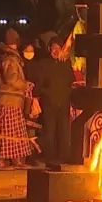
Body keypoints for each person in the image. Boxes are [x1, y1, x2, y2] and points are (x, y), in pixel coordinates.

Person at [27, 37, 74, 170]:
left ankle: (62, 156)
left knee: (64, 131)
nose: (56, 51)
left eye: (58, 48)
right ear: (49, 49)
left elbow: (71, 81)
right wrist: (38, 96)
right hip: (49, 103)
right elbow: (39, 83)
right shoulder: (44, 64)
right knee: (49, 132)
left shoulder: (66, 64)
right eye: (53, 48)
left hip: (63, 103)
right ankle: (50, 158)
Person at [0, 29, 34, 169]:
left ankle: (16, 159)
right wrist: (24, 84)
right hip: (7, 99)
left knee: (15, 131)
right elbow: (11, 79)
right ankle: (0, 159)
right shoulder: (10, 59)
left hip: (13, 100)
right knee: (5, 131)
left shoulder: (10, 57)